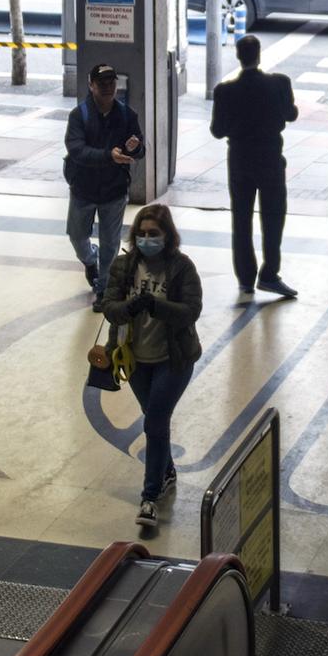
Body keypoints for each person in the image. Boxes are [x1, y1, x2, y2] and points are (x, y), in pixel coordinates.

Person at [99, 204, 204, 528]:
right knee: (155, 421)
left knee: (155, 421)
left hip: (173, 358)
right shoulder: (124, 266)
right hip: (135, 359)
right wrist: (129, 306)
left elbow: (190, 311)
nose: (146, 239)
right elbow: (109, 308)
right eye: (141, 234)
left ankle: (149, 497)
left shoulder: (181, 267)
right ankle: (167, 470)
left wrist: (156, 305)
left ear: (167, 236)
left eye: (153, 234)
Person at [210, 35, 299, 302]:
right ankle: (270, 273)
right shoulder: (279, 83)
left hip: (239, 159)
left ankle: (246, 279)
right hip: (270, 157)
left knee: (241, 218)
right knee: (273, 216)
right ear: (259, 55)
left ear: (239, 56)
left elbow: (217, 131)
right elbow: (291, 114)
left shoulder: (224, 91)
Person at [65, 63, 144, 309]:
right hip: (83, 189)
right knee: (77, 237)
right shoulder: (80, 116)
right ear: (91, 86)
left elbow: (140, 148)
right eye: (102, 83)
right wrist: (108, 156)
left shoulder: (127, 116)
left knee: (110, 243)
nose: (108, 87)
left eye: (112, 82)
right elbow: (77, 150)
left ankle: (104, 289)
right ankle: (90, 260)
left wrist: (135, 147)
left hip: (114, 190)